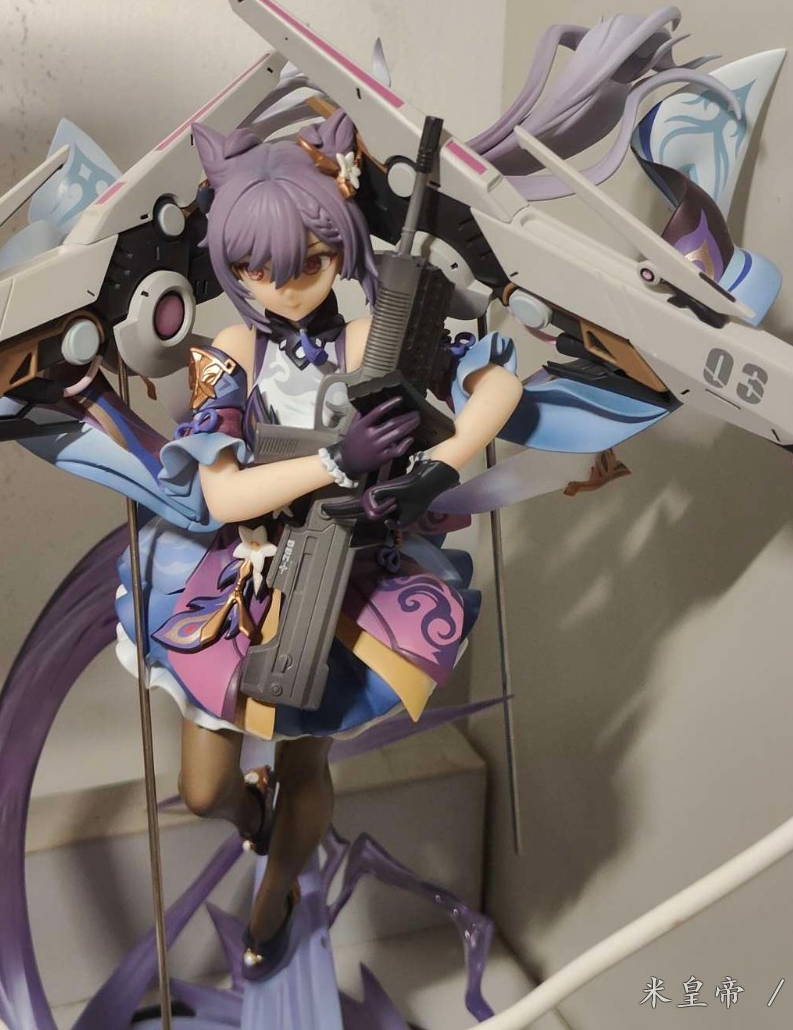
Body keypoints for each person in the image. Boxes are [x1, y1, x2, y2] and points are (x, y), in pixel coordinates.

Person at [114, 107, 522, 979]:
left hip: (352, 574)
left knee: (306, 764)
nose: (284, 287)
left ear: (342, 247)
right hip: (250, 570)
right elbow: (222, 491)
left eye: (307, 262)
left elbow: (497, 384)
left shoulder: (373, 337)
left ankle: (277, 892)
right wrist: (337, 460)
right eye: (255, 269)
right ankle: (252, 820)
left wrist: (436, 468)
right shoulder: (229, 352)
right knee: (202, 789)